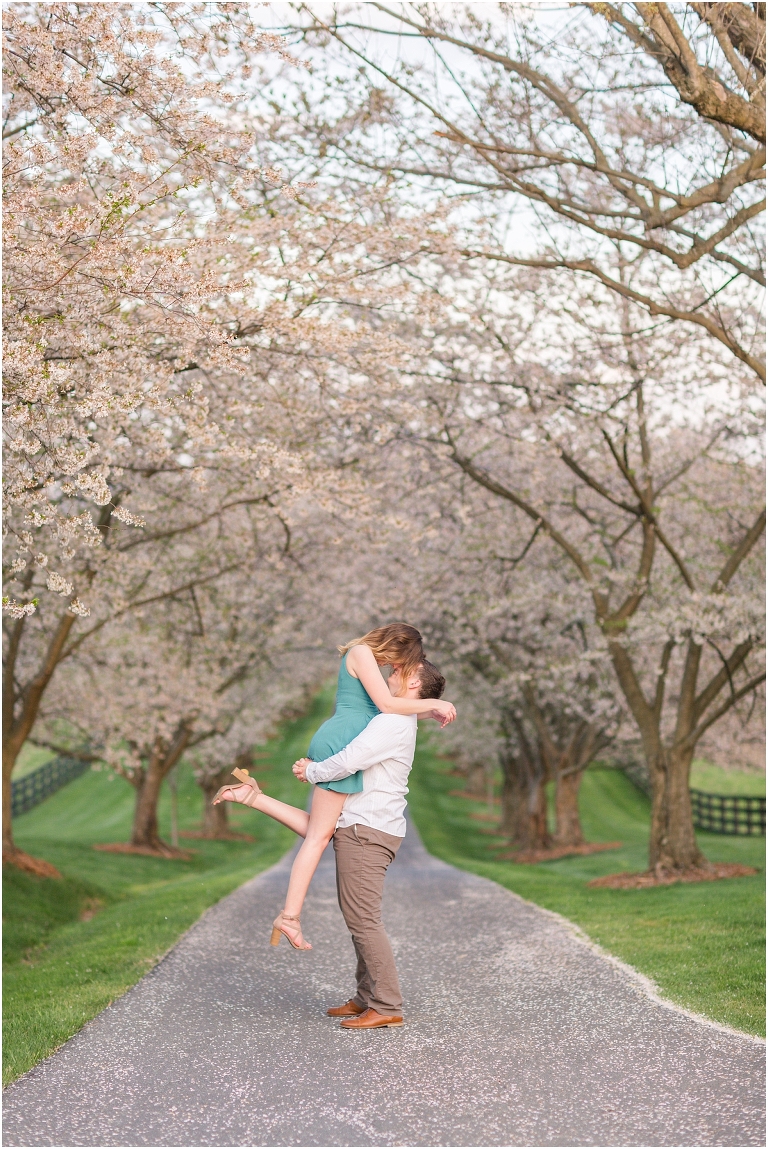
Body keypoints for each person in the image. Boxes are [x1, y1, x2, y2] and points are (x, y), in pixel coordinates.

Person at [213, 624, 455, 949]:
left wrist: (427, 712)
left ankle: (252, 798)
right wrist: (434, 705)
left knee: (320, 832)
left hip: (347, 738)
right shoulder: (361, 653)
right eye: (403, 659)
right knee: (317, 838)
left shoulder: (366, 657)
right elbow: (385, 705)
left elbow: (387, 708)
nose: (398, 666)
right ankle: (289, 917)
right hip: (341, 743)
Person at [292, 658, 446, 1029]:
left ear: (412, 685)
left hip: (367, 830)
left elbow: (349, 760)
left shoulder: (393, 722)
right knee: (358, 914)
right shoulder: (396, 718)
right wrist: (431, 708)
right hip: (368, 828)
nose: (390, 674)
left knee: (363, 918)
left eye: (400, 671)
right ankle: (366, 996)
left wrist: (310, 771)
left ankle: (387, 1003)